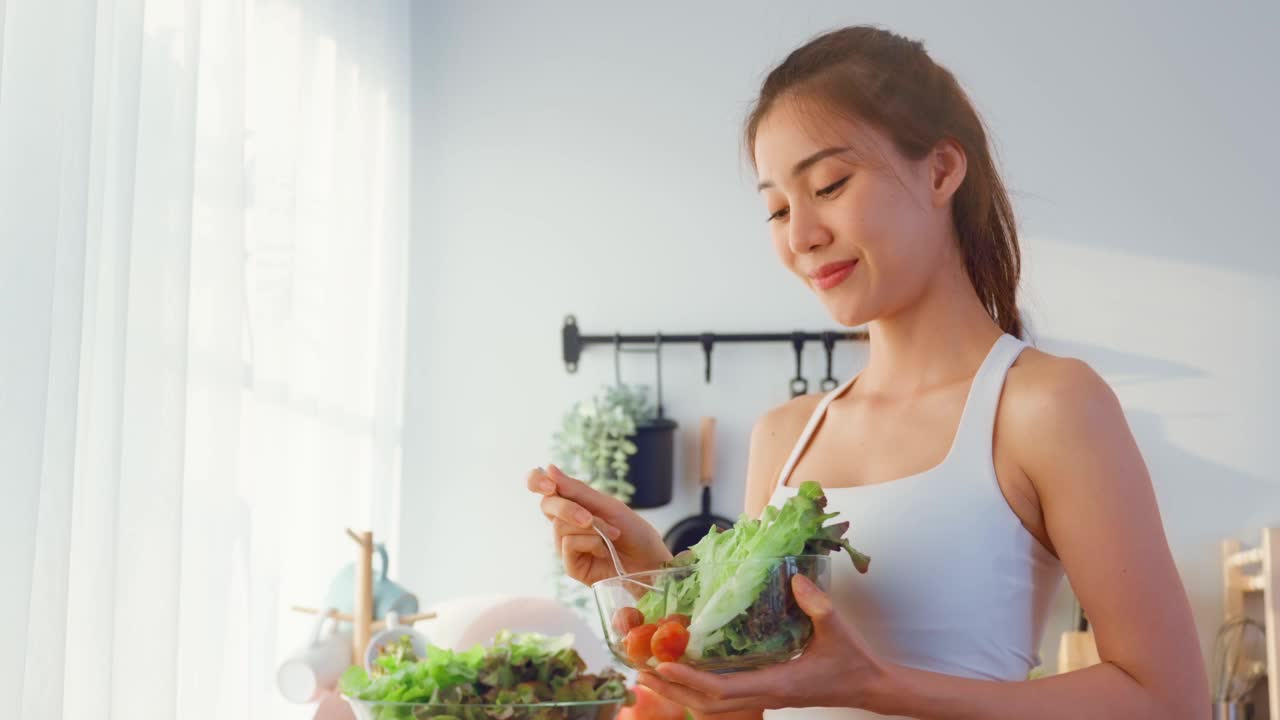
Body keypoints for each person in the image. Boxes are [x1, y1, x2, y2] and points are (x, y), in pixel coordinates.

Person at [528, 25, 1207, 720]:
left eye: (829, 185)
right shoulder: (785, 434)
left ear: (941, 170)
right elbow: (749, 702)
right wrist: (654, 580)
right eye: (777, 208)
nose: (800, 237)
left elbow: (1171, 698)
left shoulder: (1044, 404)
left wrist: (874, 684)